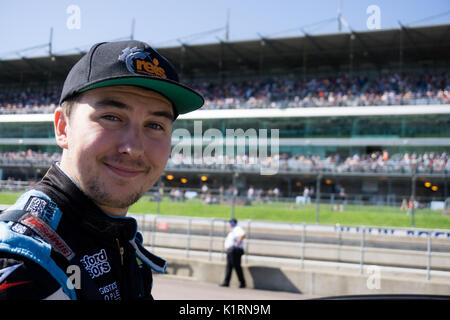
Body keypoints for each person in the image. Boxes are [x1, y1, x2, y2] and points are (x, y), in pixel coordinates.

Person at [0, 40, 204, 300]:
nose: (134, 148)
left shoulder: (117, 235)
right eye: (112, 117)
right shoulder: (25, 262)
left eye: (154, 125)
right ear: (63, 128)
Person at [220, 219, 246, 288]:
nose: (230, 224)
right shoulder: (233, 230)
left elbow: (243, 235)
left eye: (231, 223)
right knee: (229, 267)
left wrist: (238, 243)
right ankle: (226, 281)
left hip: (235, 250)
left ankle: (242, 282)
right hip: (231, 250)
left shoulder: (237, 228)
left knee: (237, 267)